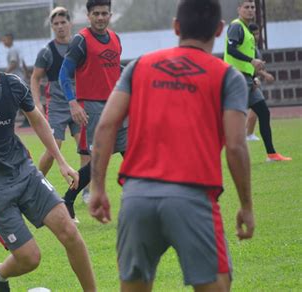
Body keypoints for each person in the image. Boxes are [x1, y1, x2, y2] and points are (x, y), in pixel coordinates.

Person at [89, 0, 255, 291]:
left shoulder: (138, 66)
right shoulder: (229, 76)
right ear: (218, 30)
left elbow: (105, 125)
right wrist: (246, 205)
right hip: (193, 198)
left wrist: (97, 187)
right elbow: (236, 146)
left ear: (176, 26)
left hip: (136, 198)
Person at [0, 26, 96, 292]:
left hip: (26, 175)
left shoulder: (13, 85)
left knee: (70, 233)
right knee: (30, 258)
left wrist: (60, 160)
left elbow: (38, 121)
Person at [59, 0, 126, 221]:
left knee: (134, 152)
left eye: (104, 13)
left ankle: (138, 201)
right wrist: (73, 102)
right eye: (96, 14)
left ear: (110, 15)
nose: (100, 17)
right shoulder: (81, 41)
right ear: (88, 16)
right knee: (97, 161)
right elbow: (64, 74)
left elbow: (115, 69)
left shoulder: (116, 38)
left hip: (117, 105)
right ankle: (67, 200)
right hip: (94, 108)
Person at [30, 7, 91, 205]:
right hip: (56, 106)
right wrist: (37, 102)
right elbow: (35, 77)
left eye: (63, 22)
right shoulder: (46, 52)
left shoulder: (80, 46)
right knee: (54, 145)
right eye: (55, 24)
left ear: (70, 23)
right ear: (52, 27)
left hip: (78, 104)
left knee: (86, 148)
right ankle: (36, 185)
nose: (60, 26)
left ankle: (85, 191)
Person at [224, 0, 291, 161]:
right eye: (246, 7)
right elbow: (230, 50)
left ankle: (272, 154)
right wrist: (251, 61)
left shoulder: (247, 30)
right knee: (229, 117)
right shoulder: (236, 26)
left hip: (247, 79)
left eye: (252, 7)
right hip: (235, 78)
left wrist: (254, 76)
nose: (250, 10)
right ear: (239, 9)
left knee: (263, 112)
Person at [246, 22, 275, 142]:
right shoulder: (248, 47)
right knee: (256, 109)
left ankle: (248, 134)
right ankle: (246, 134)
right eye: (254, 34)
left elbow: (258, 66)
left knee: (257, 110)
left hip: (253, 79)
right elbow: (249, 65)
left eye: (258, 33)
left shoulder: (255, 47)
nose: (256, 36)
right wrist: (264, 75)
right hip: (248, 80)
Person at [2, 32, 31, 128]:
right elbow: (22, 62)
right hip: (20, 78)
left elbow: (14, 63)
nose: (3, 41)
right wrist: (26, 73)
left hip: (16, 80)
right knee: (20, 100)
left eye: (5, 39)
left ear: (10, 39)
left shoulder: (13, 50)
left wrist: (4, 74)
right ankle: (26, 120)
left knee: (17, 101)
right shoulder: (16, 49)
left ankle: (23, 121)